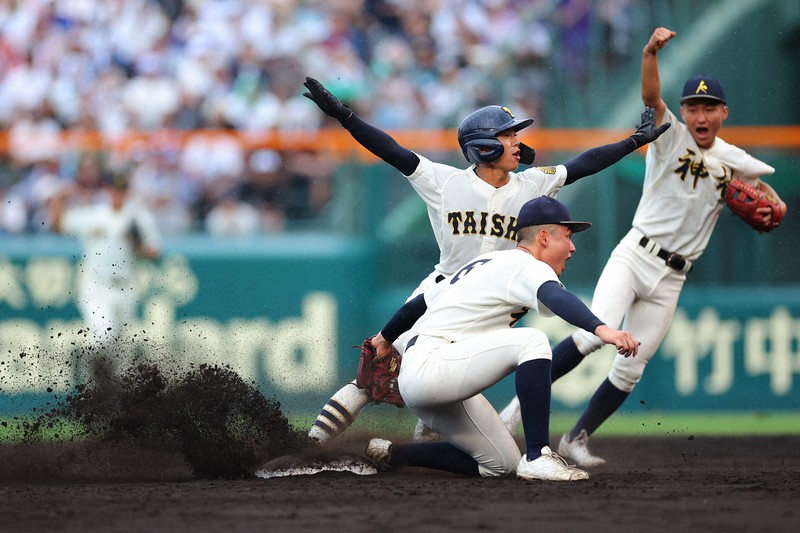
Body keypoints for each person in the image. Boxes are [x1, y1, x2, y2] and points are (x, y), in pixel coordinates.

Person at [302, 76, 670, 445]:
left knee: (452, 398)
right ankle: (307, 449)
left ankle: (417, 463)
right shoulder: (444, 182)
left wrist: (633, 141)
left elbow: (584, 164)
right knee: (371, 377)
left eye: (515, 135)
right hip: (439, 297)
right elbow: (390, 150)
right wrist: (345, 116)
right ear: (481, 145)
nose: (517, 142)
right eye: (507, 135)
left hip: (493, 309)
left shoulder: (531, 184)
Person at [501, 27, 786, 468]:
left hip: (673, 275)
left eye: (709, 106)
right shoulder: (670, 134)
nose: (700, 114)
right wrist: (650, 53)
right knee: (596, 331)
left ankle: (576, 439)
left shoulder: (734, 159)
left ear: (723, 111)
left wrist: (774, 201)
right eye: (693, 106)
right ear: (686, 112)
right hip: (636, 254)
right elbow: (653, 97)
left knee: (633, 366)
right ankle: (516, 412)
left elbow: (764, 187)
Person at [362, 196, 640, 481]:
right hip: (435, 365)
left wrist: (384, 339)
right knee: (532, 341)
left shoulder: (487, 261)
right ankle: (538, 455)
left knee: (501, 463)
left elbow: (419, 303)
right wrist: (601, 329)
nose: (572, 247)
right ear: (543, 237)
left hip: (430, 376)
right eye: (567, 237)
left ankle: (394, 454)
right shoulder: (525, 264)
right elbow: (556, 297)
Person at [50, 165, 162, 383]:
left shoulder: (139, 217)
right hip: (96, 287)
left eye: (122, 189)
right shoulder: (95, 215)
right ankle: (101, 393)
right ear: (107, 189)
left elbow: (155, 253)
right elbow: (58, 226)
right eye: (114, 188)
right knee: (102, 336)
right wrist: (58, 200)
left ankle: (103, 394)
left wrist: (137, 243)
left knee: (115, 346)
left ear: (128, 190)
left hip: (127, 288)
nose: (118, 193)